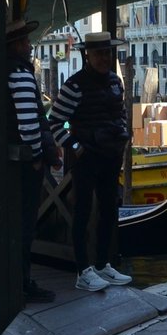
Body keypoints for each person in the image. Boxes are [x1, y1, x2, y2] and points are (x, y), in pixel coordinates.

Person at [51, 31, 129, 292]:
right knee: (82, 212)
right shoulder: (74, 86)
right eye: (98, 53)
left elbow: (121, 113)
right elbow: (54, 122)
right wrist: (75, 147)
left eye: (107, 53)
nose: (104, 57)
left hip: (110, 156)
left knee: (109, 210)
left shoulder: (115, 82)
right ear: (88, 55)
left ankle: (102, 264)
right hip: (86, 159)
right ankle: (82, 271)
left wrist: (124, 136)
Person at [3, 17, 57, 305]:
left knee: (13, 222)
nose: (29, 46)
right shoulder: (21, 74)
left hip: (6, 161)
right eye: (24, 42)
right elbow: (28, 121)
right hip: (24, 163)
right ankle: (22, 281)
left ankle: (15, 278)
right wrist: (37, 156)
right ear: (15, 45)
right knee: (25, 223)